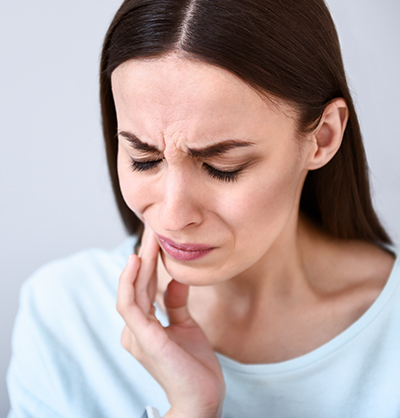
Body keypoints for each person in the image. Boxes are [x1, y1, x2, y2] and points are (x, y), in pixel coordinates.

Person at [7, 0, 400, 417]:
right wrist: (192, 408)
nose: (173, 217)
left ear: (322, 137)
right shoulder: (63, 315)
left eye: (221, 167)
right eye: (144, 159)